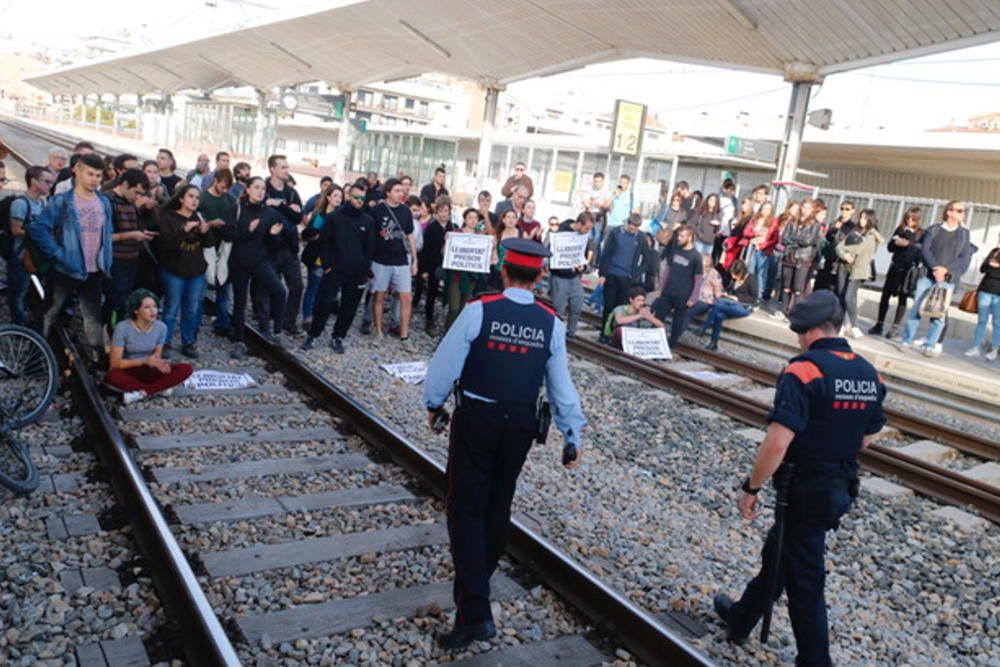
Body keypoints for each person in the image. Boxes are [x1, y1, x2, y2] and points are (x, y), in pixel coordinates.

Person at [423, 238, 585, 650]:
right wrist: (572, 433)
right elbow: (561, 384)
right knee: (498, 504)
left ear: (505, 270)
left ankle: (475, 612)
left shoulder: (480, 310)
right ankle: (478, 581)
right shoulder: (551, 322)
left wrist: (434, 402)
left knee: (464, 508)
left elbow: (446, 363)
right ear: (539, 276)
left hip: (478, 418)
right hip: (520, 423)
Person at [714, 290, 886, 667]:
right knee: (781, 551)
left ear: (808, 331)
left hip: (803, 487)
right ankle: (742, 616)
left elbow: (777, 444)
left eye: (798, 332)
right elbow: (868, 435)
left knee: (805, 580)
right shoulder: (868, 371)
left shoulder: (803, 370)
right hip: (839, 485)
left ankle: (816, 660)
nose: (798, 340)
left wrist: (751, 488)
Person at [30, 152, 113, 363]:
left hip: (93, 270)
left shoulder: (104, 203)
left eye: (98, 175)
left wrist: (106, 261)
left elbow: (106, 235)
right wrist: (59, 254)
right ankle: (36, 356)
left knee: (93, 316)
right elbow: (39, 229)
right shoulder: (62, 202)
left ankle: (97, 357)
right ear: (76, 170)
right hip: (65, 269)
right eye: (90, 174)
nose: (94, 179)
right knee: (49, 312)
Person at [301, 182, 375, 353]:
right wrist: (327, 265)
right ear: (349, 196)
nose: (359, 201)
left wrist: (365, 270)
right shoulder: (335, 217)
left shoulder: (367, 221)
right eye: (356, 197)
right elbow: (324, 242)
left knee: (349, 308)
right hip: (335, 270)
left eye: (362, 198)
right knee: (324, 304)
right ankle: (313, 335)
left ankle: (338, 337)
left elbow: (370, 248)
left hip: (356, 273)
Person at [222, 177, 287, 359]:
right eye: (256, 187)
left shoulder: (270, 214)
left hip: (260, 262)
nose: (260, 191)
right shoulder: (237, 209)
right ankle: (239, 341)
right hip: (239, 263)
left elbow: (274, 245)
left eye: (263, 188)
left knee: (280, 291)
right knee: (240, 303)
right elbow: (227, 235)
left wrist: (274, 236)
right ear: (248, 190)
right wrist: (247, 231)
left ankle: (276, 333)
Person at [900, 201, 974, 357]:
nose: (963, 213)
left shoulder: (964, 234)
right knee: (917, 309)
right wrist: (935, 268)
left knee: (939, 314)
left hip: (947, 278)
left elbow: (964, 257)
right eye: (960, 210)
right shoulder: (933, 230)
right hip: (927, 275)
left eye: (963, 211)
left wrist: (945, 269)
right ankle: (906, 340)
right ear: (949, 212)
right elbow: (925, 251)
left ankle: (930, 344)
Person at [105, 289, 193, 405]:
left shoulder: (161, 327)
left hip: (150, 369)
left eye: (155, 306)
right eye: (147, 307)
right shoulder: (123, 328)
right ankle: (159, 388)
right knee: (112, 377)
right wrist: (144, 361)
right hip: (129, 368)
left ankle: (142, 393)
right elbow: (115, 363)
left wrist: (160, 364)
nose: (153, 311)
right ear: (136, 310)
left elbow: (156, 355)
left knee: (186, 368)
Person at [158, 185, 214, 358]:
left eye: (197, 198)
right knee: (171, 308)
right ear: (181, 199)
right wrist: (184, 231)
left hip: (195, 270)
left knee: (191, 308)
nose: (194, 200)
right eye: (191, 196)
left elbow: (208, 243)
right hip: (174, 269)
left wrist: (205, 232)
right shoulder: (169, 218)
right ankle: (165, 342)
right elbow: (166, 245)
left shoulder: (199, 217)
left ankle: (188, 342)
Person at [259, 154, 305, 334]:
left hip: (288, 246)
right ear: (273, 169)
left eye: (287, 167)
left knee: (297, 286)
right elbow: (260, 209)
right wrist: (283, 207)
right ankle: (264, 321)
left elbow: (297, 216)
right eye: (283, 167)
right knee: (266, 286)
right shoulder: (263, 188)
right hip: (268, 246)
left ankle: (288, 321)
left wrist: (278, 205)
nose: (287, 170)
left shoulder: (291, 192)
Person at [370, 177, 417, 346]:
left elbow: (410, 235)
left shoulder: (405, 211)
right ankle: (378, 332)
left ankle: (404, 336)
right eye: (397, 191)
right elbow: (370, 234)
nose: (401, 194)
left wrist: (414, 260)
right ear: (388, 192)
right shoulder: (377, 211)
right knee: (379, 296)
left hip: (401, 260)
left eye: (402, 191)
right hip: (380, 260)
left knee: (406, 297)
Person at [107, 168, 155, 328]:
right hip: (115, 260)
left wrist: (141, 233)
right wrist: (130, 235)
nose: (138, 197)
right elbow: (104, 237)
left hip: (132, 259)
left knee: (124, 301)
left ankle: (118, 335)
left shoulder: (130, 203)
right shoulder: (108, 201)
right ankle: (109, 335)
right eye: (136, 192)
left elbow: (131, 227)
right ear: (125, 184)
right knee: (115, 301)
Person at [7, 166, 54, 324]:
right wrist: (38, 234)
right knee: (18, 291)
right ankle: (17, 325)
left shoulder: (41, 203)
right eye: (46, 182)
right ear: (33, 181)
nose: (50, 185)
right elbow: (15, 230)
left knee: (32, 291)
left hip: (34, 255)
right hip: (20, 255)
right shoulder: (20, 204)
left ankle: (31, 321)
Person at [869, 207, 922, 338]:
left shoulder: (920, 233)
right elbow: (889, 248)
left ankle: (895, 327)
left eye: (913, 218)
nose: (909, 221)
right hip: (895, 267)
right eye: (907, 218)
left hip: (907, 270)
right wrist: (895, 242)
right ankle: (879, 324)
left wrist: (908, 243)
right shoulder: (899, 229)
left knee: (902, 297)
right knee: (885, 295)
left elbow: (919, 250)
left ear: (918, 219)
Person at [198, 168, 238, 337]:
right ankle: (196, 321)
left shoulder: (230, 200)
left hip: (224, 248)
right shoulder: (202, 198)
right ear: (215, 180)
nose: (224, 191)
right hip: (205, 246)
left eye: (227, 188)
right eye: (222, 186)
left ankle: (222, 322)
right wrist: (210, 223)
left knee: (224, 287)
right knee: (201, 287)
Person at [597, 213, 647, 340]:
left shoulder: (640, 237)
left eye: (636, 226)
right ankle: (605, 332)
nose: (632, 227)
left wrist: (637, 273)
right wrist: (602, 273)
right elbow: (606, 253)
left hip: (627, 277)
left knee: (622, 307)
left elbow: (647, 256)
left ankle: (617, 335)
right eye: (631, 224)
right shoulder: (616, 233)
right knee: (609, 305)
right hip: (612, 274)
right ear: (627, 222)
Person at [300, 183, 343, 328]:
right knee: (314, 286)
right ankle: (307, 316)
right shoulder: (321, 216)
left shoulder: (341, 216)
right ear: (329, 197)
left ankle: (317, 315)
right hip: (318, 255)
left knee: (324, 288)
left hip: (332, 257)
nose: (338, 199)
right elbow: (309, 233)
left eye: (340, 196)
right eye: (335, 196)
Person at [835, 209, 883, 338]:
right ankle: (840, 325)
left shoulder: (872, 235)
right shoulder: (854, 231)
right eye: (860, 218)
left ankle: (854, 326)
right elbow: (839, 246)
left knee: (848, 297)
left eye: (864, 218)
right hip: (844, 266)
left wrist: (846, 250)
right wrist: (844, 255)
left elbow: (860, 249)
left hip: (858, 269)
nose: (861, 221)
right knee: (841, 296)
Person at [653, 224, 702, 346]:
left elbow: (698, 279)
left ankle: (671, 345)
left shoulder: (696, 256)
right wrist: (660, 288)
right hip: (668, 291)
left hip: (683, 295)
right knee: (658, 317)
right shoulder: (675, 251)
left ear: (690, 238)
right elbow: (667, 270)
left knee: (677, 322)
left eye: (682, 236)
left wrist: (693, 297)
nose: (679, 238)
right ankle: (653, 341)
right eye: (679, 235)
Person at [445, 204, 491, 328]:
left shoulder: (481, 237)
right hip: (457, 275)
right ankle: (448, 332)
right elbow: (444, 253)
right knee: (454, 307)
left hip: (472, 276)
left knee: (464, 307)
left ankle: (458, 333)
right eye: (470, 217)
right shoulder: (456, 234)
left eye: (475, 218)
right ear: (465, 219)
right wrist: (447, 242)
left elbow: (486, 258)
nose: (472, 220)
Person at [549, 212, 594, 336]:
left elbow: (581, 254)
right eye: (586, 228)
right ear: (579, 223)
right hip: (560, 276)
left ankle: (571, 332)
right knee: (558, 308)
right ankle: (555, 334)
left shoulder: (582, 236)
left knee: (577, 305)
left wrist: (583, 266)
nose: (587, 232)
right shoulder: (561, 232)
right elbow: (553, 256)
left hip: (574, 276)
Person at [698, 259, 757, 350]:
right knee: (719, 315)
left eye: (735, 275)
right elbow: (728, 289)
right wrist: (726, 293)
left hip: (744, 307)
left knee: (718, 305)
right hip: (730, 303)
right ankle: (713, 343)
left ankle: (704, 327)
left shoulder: (751, 279)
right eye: (732, 274)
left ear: (742, 273)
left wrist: (738, 298)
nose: (733, 277)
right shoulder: (733, 280)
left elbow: (754, 298)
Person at [778, 199, 823, 317]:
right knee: (786, 286)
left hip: (803, 257)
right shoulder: (792, 221)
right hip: (789, 256)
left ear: (812, 210)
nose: (805, 210)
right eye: (804, 207)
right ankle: (783, 310)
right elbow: (784, 238)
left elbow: (809, 241)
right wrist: (797, 240)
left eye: (809, 208)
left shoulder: (815, 224)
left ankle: (794, 312)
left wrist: (793, 240)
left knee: (798, 288)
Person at [419, 197, 452, 334]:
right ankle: (429, 320)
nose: (444, 214)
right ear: (437, 212)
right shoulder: (432, 228)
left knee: (445, 292)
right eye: (441, 211)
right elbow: (426, 250)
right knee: (431, 293)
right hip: (432, 264)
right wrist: (424, 270)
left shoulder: (451, 227)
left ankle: (444, 319)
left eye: (446, 211)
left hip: (447, 264)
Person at [966, 233, 1000, 361]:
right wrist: (990, 264)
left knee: (997, 323)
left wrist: (996, 266)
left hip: (998, 294)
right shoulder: (994, 251)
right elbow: (982, 269)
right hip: (985, 290)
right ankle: (975, 346)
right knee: (982, 321)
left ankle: (994, 349)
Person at [814, 201, 856, 292]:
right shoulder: (834, 223)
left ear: (852, 211)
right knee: (823, 285)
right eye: (842, 209)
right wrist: (834, 229)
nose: (844, 211)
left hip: (841, 260)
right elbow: (827, 238)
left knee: (835, 287)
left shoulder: (853, 227)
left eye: (847, 209)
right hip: (830, 257)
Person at [747, 201, 778, 301]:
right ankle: (748, 292)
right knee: (750, 271)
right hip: (752, 247)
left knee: (761, 274)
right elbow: (746, 231)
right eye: (764, 208)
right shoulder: (756, 219)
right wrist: (754, 233)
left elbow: (775, 239)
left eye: (768, 209)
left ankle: (759, 295)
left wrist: (763, 245)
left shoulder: (773, 221)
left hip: (764, 251)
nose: (766, 211)